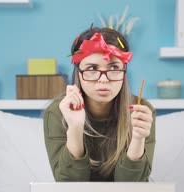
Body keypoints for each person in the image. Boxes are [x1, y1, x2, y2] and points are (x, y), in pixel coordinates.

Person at [43, 27, 156, 182]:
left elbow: (133, 188)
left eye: (114, 67)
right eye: (92, 68)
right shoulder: (57, 112)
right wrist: (75, 129)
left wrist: (137, 139)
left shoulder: (141, 111)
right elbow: (68, 185)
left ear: (124, 72)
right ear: (78, 73)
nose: (103, 80)